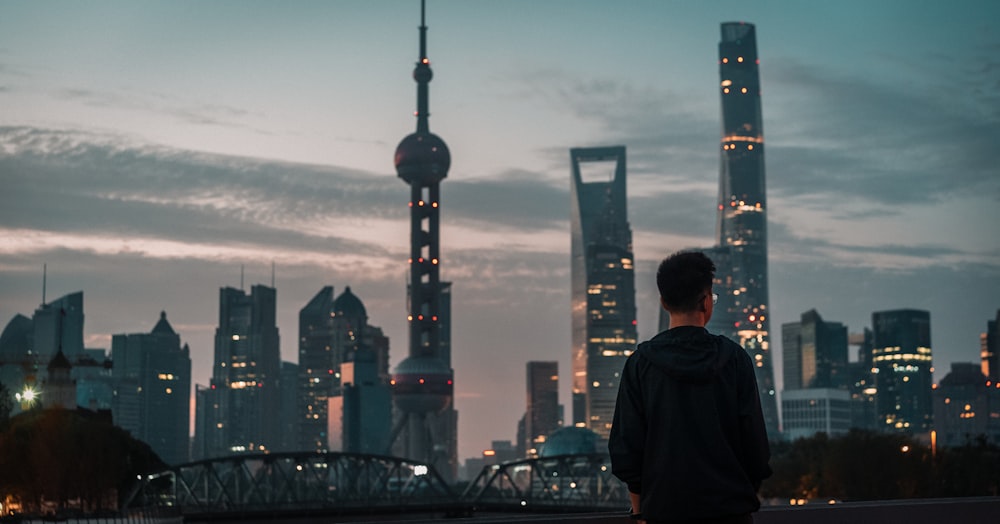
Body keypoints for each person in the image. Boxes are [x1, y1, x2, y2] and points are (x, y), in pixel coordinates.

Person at [608, 250, 771, 524]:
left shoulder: (640, 364)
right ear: (706, 301)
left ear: (663, 302)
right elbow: (756, 448)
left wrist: (640, 512)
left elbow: (626, 450)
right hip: (730, 513)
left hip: (663, 513)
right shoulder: (735, 359)